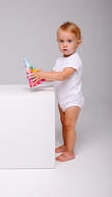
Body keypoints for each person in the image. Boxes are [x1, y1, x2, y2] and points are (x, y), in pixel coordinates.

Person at [30, 21, 85, 162]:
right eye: (61, 41)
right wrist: (40, 75)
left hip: (73, 99)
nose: (65, 45)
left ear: (78, 43)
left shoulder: (75, 60)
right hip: (62, 98)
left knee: (69, 125)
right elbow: (54, 76)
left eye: (69, 41)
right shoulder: (59, 60)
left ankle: (70, 152)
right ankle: (66, 145)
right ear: (57, 42)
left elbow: (63, 75)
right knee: (63, 122)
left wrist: (46, 75)